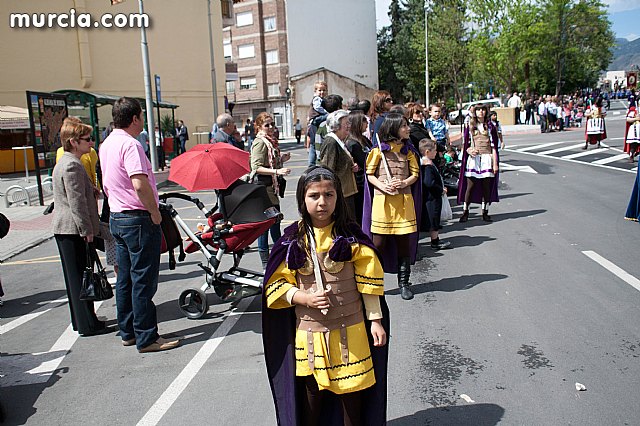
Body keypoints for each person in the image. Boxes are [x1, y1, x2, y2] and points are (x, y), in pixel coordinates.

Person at [262, 165, 389, 426]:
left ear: (338, 197)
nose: (322, 202)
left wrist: (375, 320)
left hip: (352, 332)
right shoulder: (291, 240)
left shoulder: (351, 236)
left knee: (352, 397)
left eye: (329, 195)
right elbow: (275, 288)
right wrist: (302, 297)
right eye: (314, 196)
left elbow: (369, 281)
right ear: (302, 199)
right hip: (310, 336)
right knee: (311, 399)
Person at [100, 97, 180, 353]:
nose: (143, 121)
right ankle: (147, 337)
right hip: (137, 218)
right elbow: (139, 183)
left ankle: (129, 331)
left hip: (118, 216)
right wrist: (154, 212)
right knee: (143, 280)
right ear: (134, 118)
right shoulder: (130, 144)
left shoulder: (107, 144)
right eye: (141, 116)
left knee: (125, 278)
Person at [52, 117, 114, 337]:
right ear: (73, 142)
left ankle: (84, 320)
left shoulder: (69, 162)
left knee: (77, 277)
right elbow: (76, 203)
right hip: (72, 229)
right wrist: (87, 230)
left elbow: (78, 195)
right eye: (87, 139)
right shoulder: (71, 165)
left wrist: (92, 191)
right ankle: (87, 323)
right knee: (80, 278)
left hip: (68, 229)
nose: (91, 143)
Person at [363, 113, 421, 301]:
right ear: (394, 128)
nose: (408, 129)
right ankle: (374, 284)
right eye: (404, 126)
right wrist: (383, 185)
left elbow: (415, 174)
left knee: (404, 246)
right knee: (377, 245)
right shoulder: (377, 151)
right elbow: (369, 174)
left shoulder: (409, 151)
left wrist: (404, 183)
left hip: (404, 204)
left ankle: (404, 283)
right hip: (383, 204)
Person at [250, 112, 291, 268]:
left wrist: (281, 160)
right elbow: (256, 167)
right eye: (267, 125)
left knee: (275, 223)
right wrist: (277, 172)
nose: (271, 127)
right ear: (259, 127)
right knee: (266, 226)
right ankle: (267, 263)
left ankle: (280, 256)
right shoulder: (260, 143)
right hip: (263, 189)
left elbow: (269, 163)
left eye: (272, 124)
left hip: (271, 188)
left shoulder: (271, 142)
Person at [457, 104, 500, 223]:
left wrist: (495, 163)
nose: (481, 112)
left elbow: (494, 147)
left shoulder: (491, 126)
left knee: (486, 187)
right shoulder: (470, 125)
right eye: (478, 110)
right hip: (473, 159)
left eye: (483, 110)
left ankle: (485, 212)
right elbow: (465, 144)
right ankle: (465, 211)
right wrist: (469, 150)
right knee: (470, 186)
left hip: (486, 159)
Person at [319, 110, 358, 219]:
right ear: (336, 126)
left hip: (345, 192)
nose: (349, 126)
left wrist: (351, 166)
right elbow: (328, 169)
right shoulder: (331, 142)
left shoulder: (339, 141)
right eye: (346, 124)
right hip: (340, 194)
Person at [419, 139, 451, 250]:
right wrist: (440, 190)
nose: (436, 152)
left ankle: (435, 240)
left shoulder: (427, 163)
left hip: (431, 197)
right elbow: (429, 182)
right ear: (427, 152)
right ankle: (435, 241)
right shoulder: (427, 166)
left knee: (433, 218)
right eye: (434, 151)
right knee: (434, 219)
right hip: (432, 197)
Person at [345, 110, 372, 226]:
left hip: (366, 182)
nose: (367, 124)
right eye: (364, 121)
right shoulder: (352, 143)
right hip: (359, 184)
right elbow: (365, 161)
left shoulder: (363, 139)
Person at [306, 81, 329, 166]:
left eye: (324, 90)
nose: (322, 92)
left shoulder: (321, 99)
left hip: (315, 122)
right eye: (320, 90)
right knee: (330, 116)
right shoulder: (317, 99)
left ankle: (312, 164)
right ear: (315, 91)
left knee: (314, 144)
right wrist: (327, 113)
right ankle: (312, 164)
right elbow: (317, 108)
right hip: (316, 119)